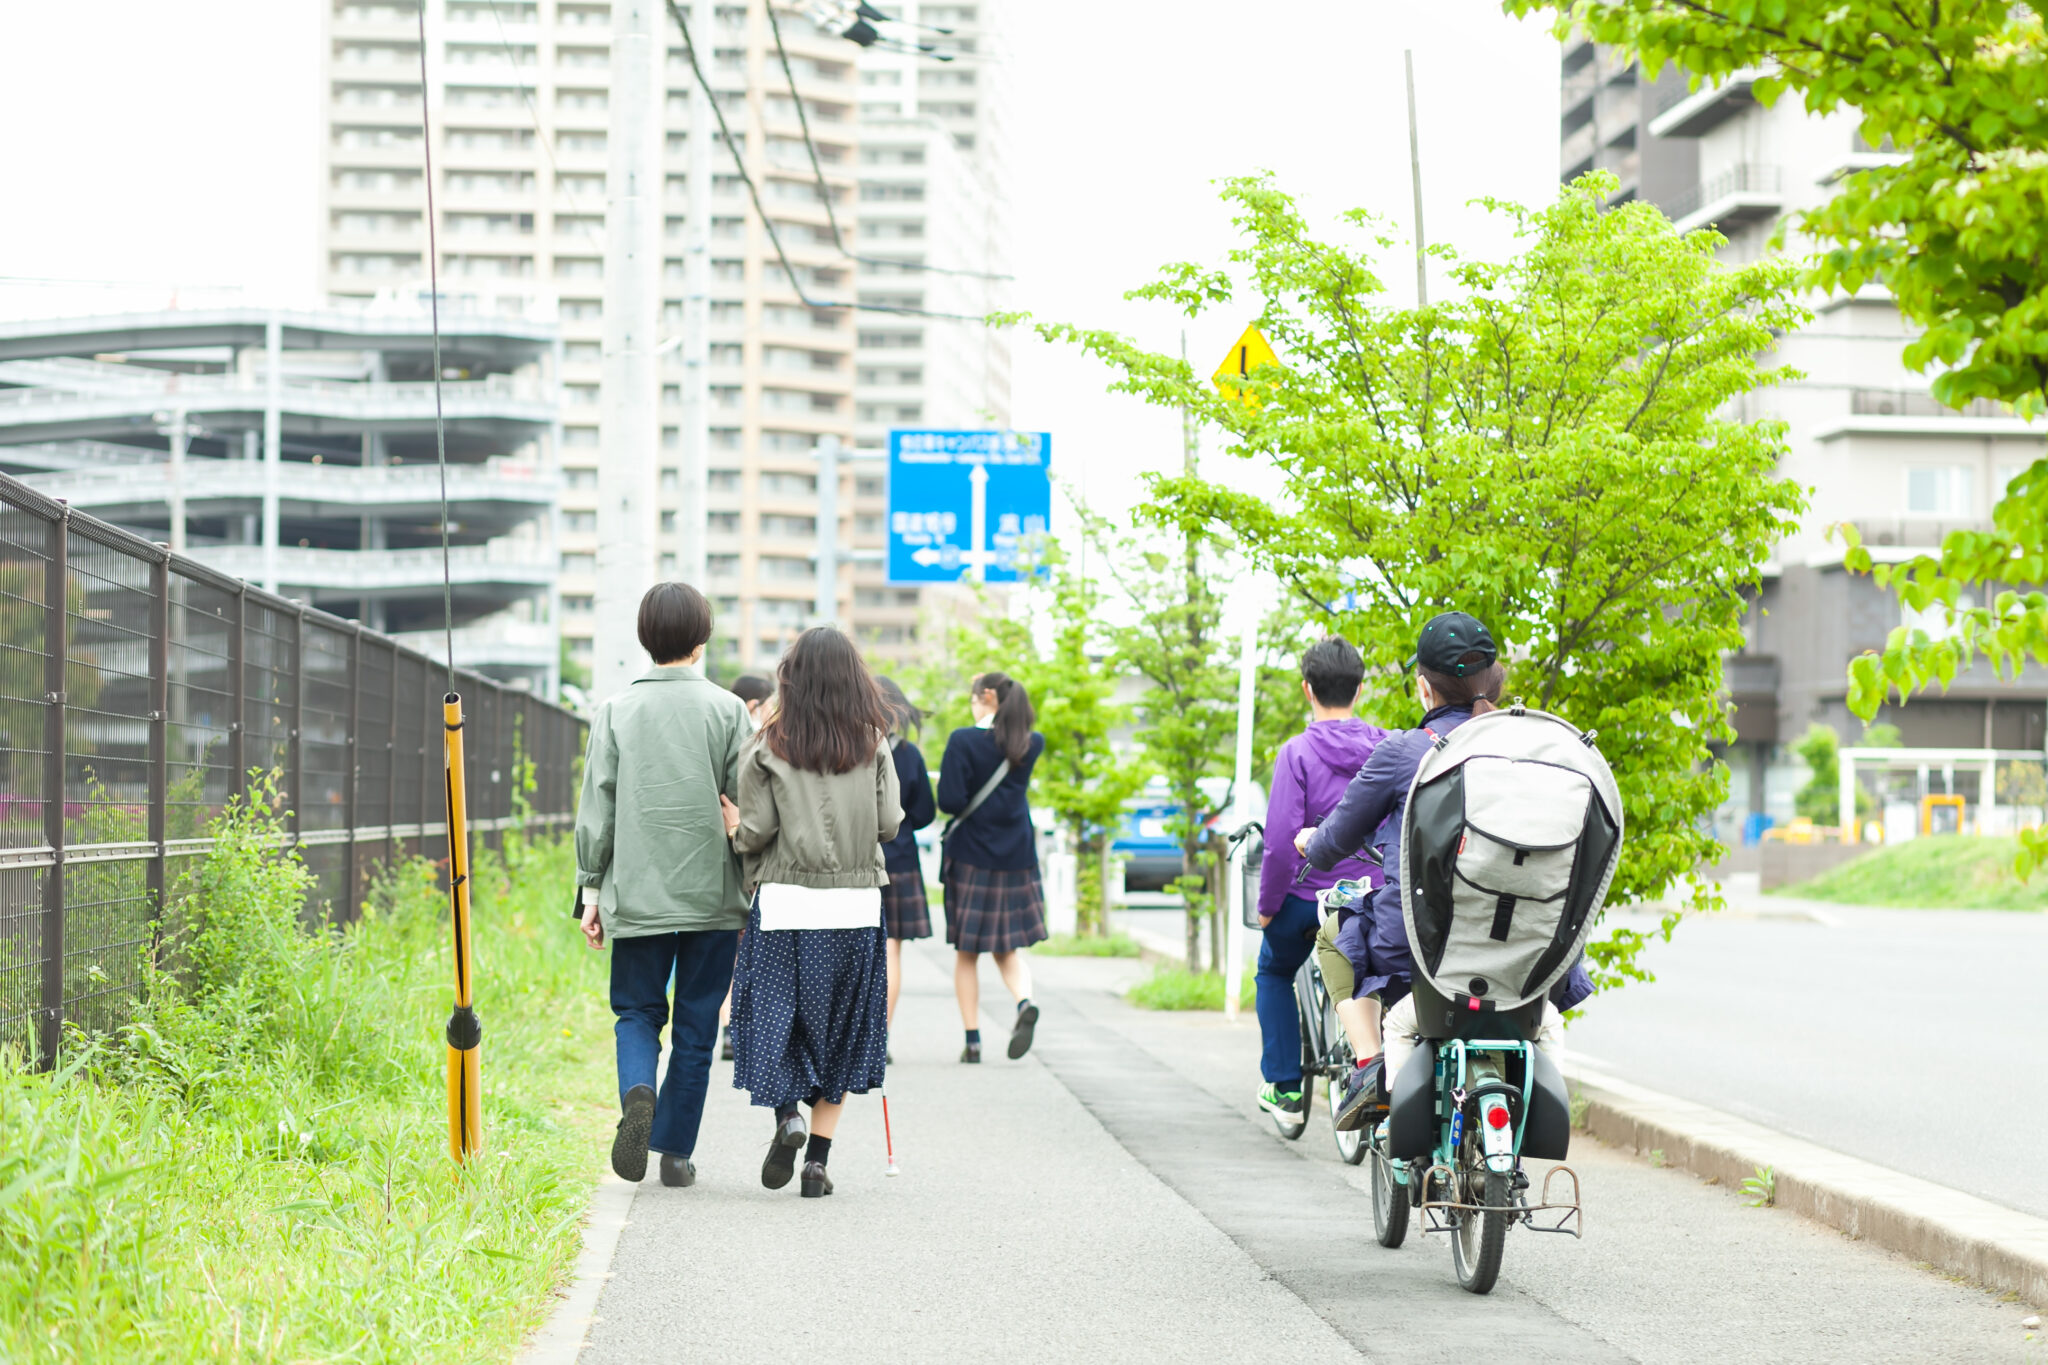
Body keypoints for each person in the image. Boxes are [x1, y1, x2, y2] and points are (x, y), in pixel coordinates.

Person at [1296, 610, 1504, 1133]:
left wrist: (1309, 842)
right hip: (1517, 943)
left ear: (1423, 688)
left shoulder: (1403, 752)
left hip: (1417, 945)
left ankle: (1371, 1067)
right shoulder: (1525, 749)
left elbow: (1334, 841)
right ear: (1493, 679)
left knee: (1333, 933)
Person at [575, 582, 750, 1189]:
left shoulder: (617, 711)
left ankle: (638, 1092)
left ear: (645, 640)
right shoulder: (730, 711)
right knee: (698, 1025)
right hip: (714, 894)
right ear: (702, 643)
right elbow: (745, 809)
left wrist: (591, 893)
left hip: (640, 893)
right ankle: (675, 1154)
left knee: (637, 1012)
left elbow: (597, 810)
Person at [728, 626, 902, 1199]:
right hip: (855, 908)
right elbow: (889, 823)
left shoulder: (767, 743)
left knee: (775, 1020)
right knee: (844, 1035)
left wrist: (731, 828)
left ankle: (787, 1118)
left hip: (784, 905)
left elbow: (756, 832)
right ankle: (818, 1165)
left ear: (791, 678)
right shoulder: (873, 740)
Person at [1253, 637, 1386, 1125]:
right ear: (1360, 688)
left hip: (1309, 895)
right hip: (1371, 895)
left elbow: (1280, 841)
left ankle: (1286, 1089)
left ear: (1307, 689)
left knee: (1272, 971)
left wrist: (1268, 906)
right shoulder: (1386, 745)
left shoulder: (1297, 752)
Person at [937, 671, 1046, 1064]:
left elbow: (949, 800)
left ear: (986, 697)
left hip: (971, 858)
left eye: (972, 698)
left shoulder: (963, 741)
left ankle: (973, 1041)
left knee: (968, 953)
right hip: (1017, 858)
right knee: (1007, 949)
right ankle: (1024, 1002)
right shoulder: (1031, 742)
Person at [875, 676, 936, 1024]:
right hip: (900, 861)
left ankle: (856, 1042)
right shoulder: (908, 754)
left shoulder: (852, 748)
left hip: (857, 860)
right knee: (892, 950)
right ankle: (881, 1037)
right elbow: (926, 811)